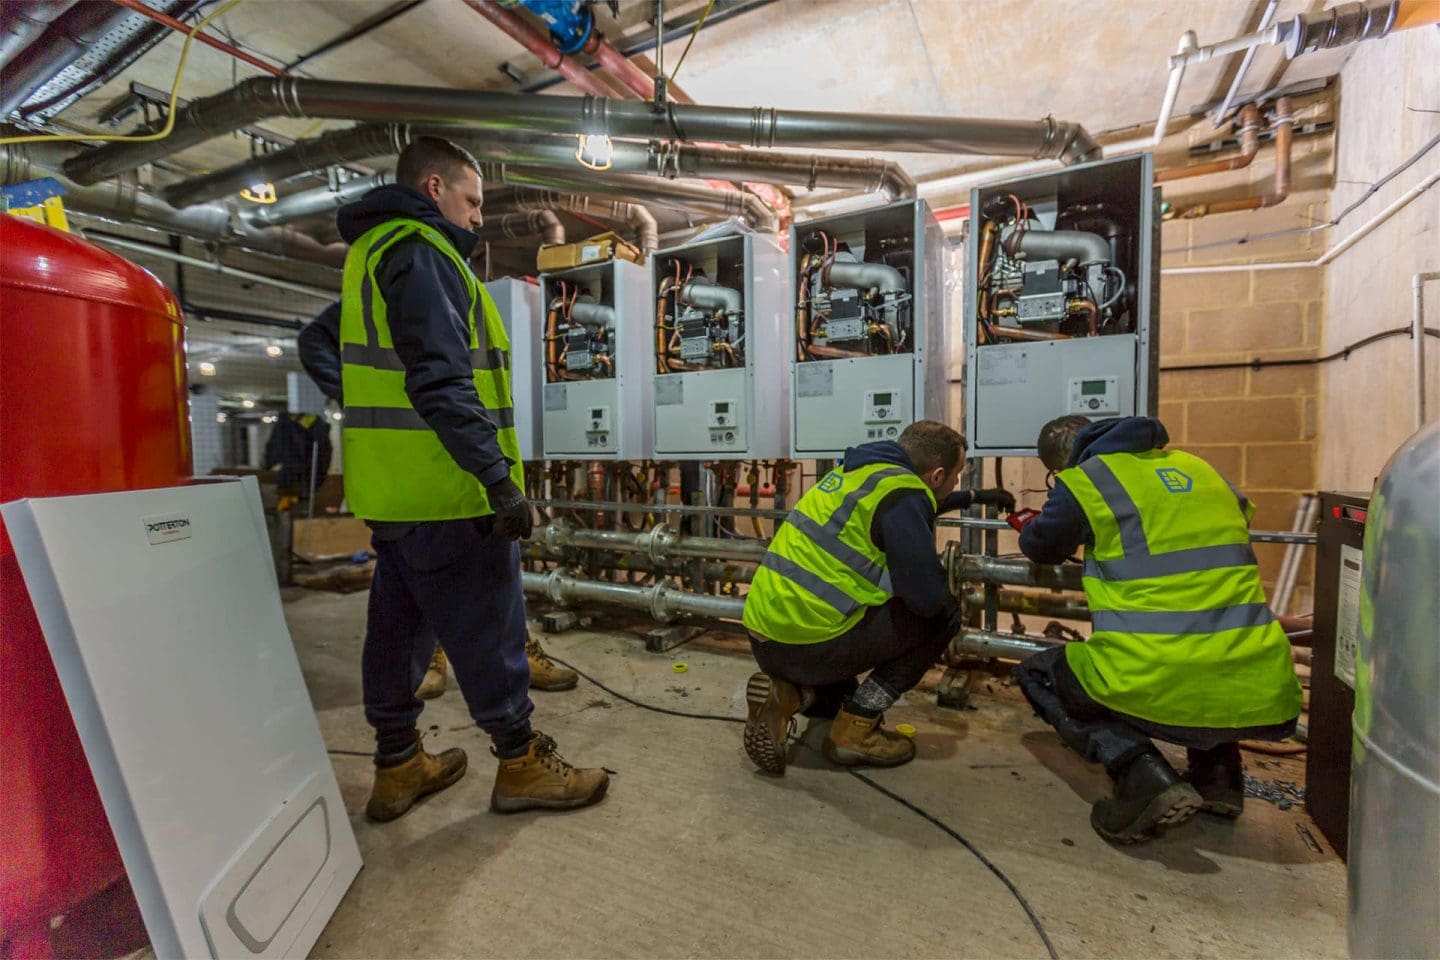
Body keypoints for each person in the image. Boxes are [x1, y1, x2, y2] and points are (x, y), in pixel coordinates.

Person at [336, 135, 607, 821]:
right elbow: (441, 380)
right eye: (473, 200)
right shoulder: (424, 255)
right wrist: (497, 478)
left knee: (397, 634)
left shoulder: (372, 254)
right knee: (491, 630)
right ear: (435, 189)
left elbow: (324, 345)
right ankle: (520, 764)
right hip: (449, 489)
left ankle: (398, 765)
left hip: (392, 493)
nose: (480, 216)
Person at [1010, 415, 1302, 844]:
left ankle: (1140, 774)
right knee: (1204, 659)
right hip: (1261, 683)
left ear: (1062, 464)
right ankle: (1219, 779)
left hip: (1156, 675)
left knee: (1038, 673)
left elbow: (1041, 546)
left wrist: (1040, 519)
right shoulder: (1201, 469)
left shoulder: (1087, 481)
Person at [298, 300, 577, 701]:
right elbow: (313, 341)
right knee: (426, 569)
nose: (476, 230)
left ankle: (517, 651)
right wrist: (354, 394)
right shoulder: (390, 276)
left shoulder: (452, 278)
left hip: (473, 444)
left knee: (499, 564)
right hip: (416, 459)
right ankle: (434, 658)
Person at [740, 420, 1014, 774]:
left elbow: (909, 505)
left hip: (765, 641)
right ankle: (856, 731)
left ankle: (788, 696)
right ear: (937, 475)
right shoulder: (903, 494)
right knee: (942, 616)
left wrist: (975, 497)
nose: (957, 483)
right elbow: (926, 600)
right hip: (809, 646)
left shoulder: (858, 472)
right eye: (957, 476)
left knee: (841, 693)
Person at [262, 409, 331, 506]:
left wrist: (269, 465)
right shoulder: (316, 425)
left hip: (293, 479)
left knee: (287, 508)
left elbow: (274, 447)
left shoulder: (285, 423)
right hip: (302, 480)